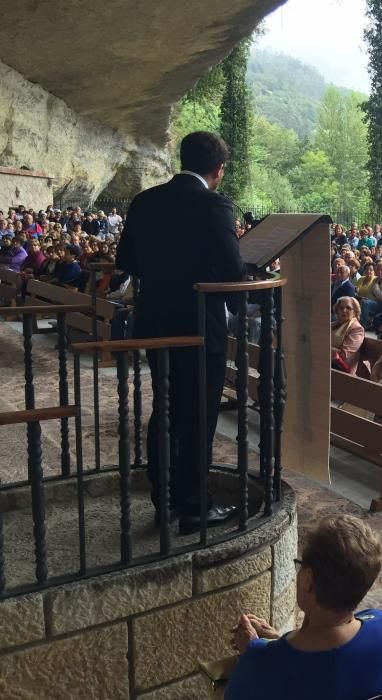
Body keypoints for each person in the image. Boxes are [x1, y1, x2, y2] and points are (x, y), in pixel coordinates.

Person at [116, 131, 244, 532]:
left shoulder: (144, 201)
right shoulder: (213, 205)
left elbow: (128, 260)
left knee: (166, 409)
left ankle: (164, 499)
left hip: (154, 322)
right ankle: (194, 504)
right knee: (199, 414)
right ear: (218, 170)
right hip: (198, 327)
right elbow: (230, 272)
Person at [226, 515, 382, 700]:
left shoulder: (263, 660)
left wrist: (251, 651)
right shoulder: (381, 625)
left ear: (308, 580)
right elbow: (323, 665)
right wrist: (278, 642)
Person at [332, 297, 365, 375]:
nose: (344, 311)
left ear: (355, 311)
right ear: (337, 310)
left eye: (348, 308)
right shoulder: (332, 324)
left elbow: (344, 355)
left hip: (341, 370)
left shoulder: (357, 329)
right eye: (341, 308)